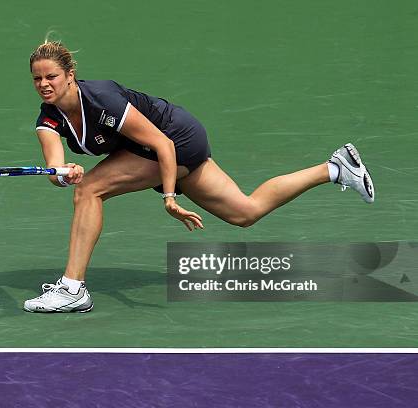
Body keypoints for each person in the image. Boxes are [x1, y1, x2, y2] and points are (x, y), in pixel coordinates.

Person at [22, 40, 374, 313]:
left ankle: (72, 289)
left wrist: (169, 197)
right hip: (151, 151)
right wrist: (64, 174)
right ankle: (335, 168)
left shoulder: (102, 100)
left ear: (70, 75)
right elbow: (55, 169)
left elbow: (160, 143)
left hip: (175, 138)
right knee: (244, 212)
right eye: (37, 78)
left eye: (51, 76)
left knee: (91, 190)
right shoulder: (48, 119)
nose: (44, 84)